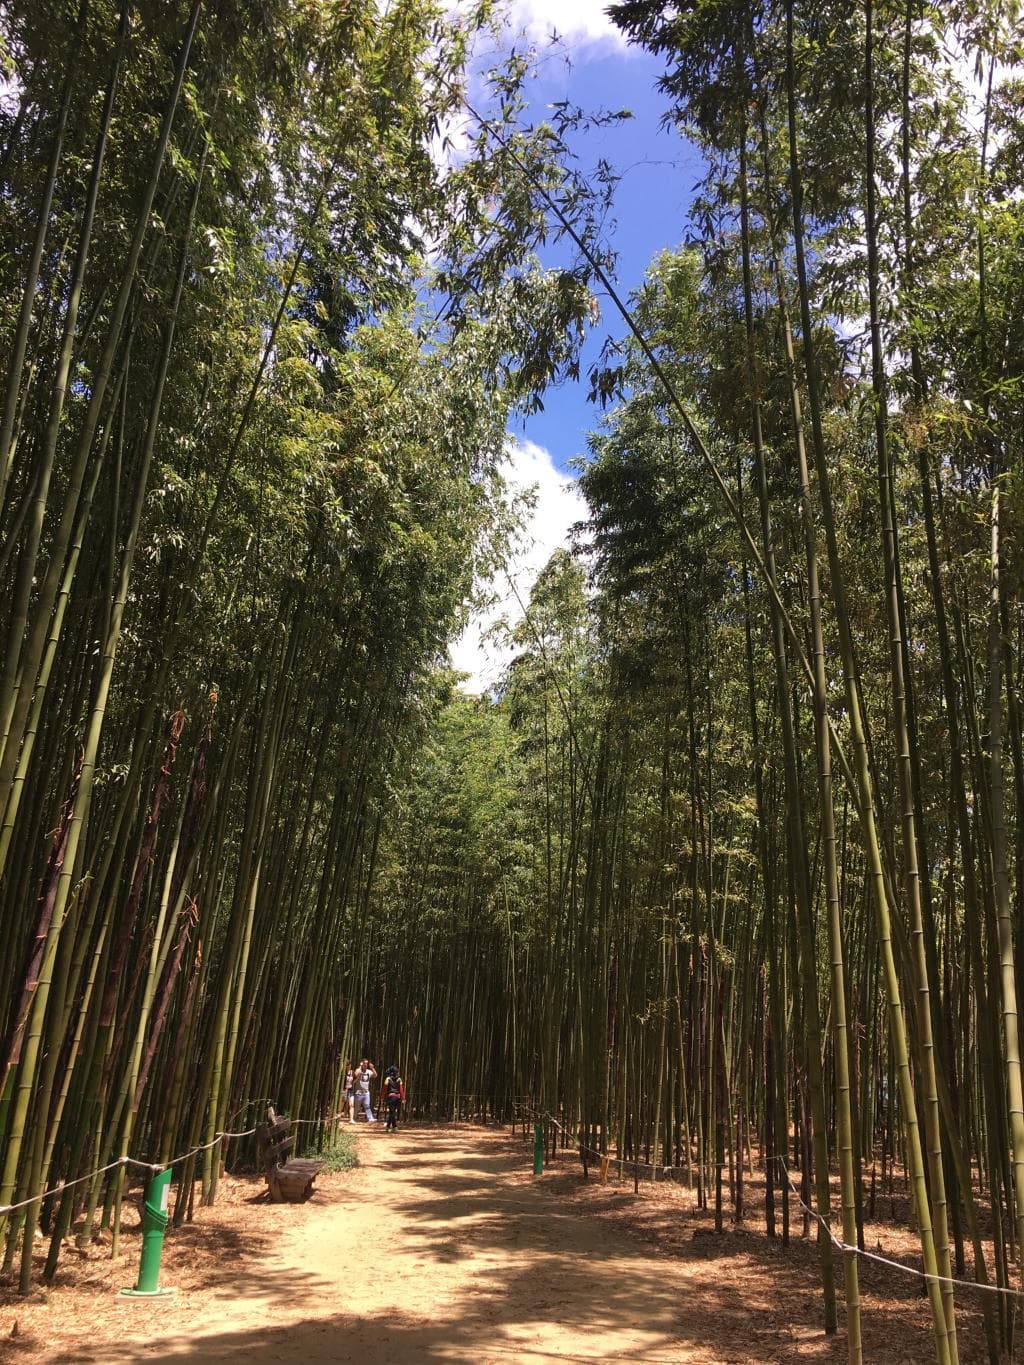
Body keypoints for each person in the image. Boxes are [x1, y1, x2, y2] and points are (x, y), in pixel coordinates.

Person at [381, 1065, 405, 1131]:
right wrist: (402, 1098)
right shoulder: (399, 1079)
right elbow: (401, 1090)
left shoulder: (388, 1079)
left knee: (392, 1112)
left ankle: (392, 1127)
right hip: (397, 1098)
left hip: (391, 1097)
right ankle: (391, 1127)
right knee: (392, 1112)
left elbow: (385, 1089)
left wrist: (382, 1097)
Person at [355, 1058, 377, 1122]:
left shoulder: (368, 1071)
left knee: (367, 1105)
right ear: (361, 1063)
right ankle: (354, 1118)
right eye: (364, 1063)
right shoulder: (358, 1070)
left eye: (367, 1063)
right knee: (357, 1107)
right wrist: (360, 1066)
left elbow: (375, 1075)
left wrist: (372, 1068)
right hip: (358, 1092)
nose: (366, 1065)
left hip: (366, 1092)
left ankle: (370, 1118)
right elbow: (356, 1074)